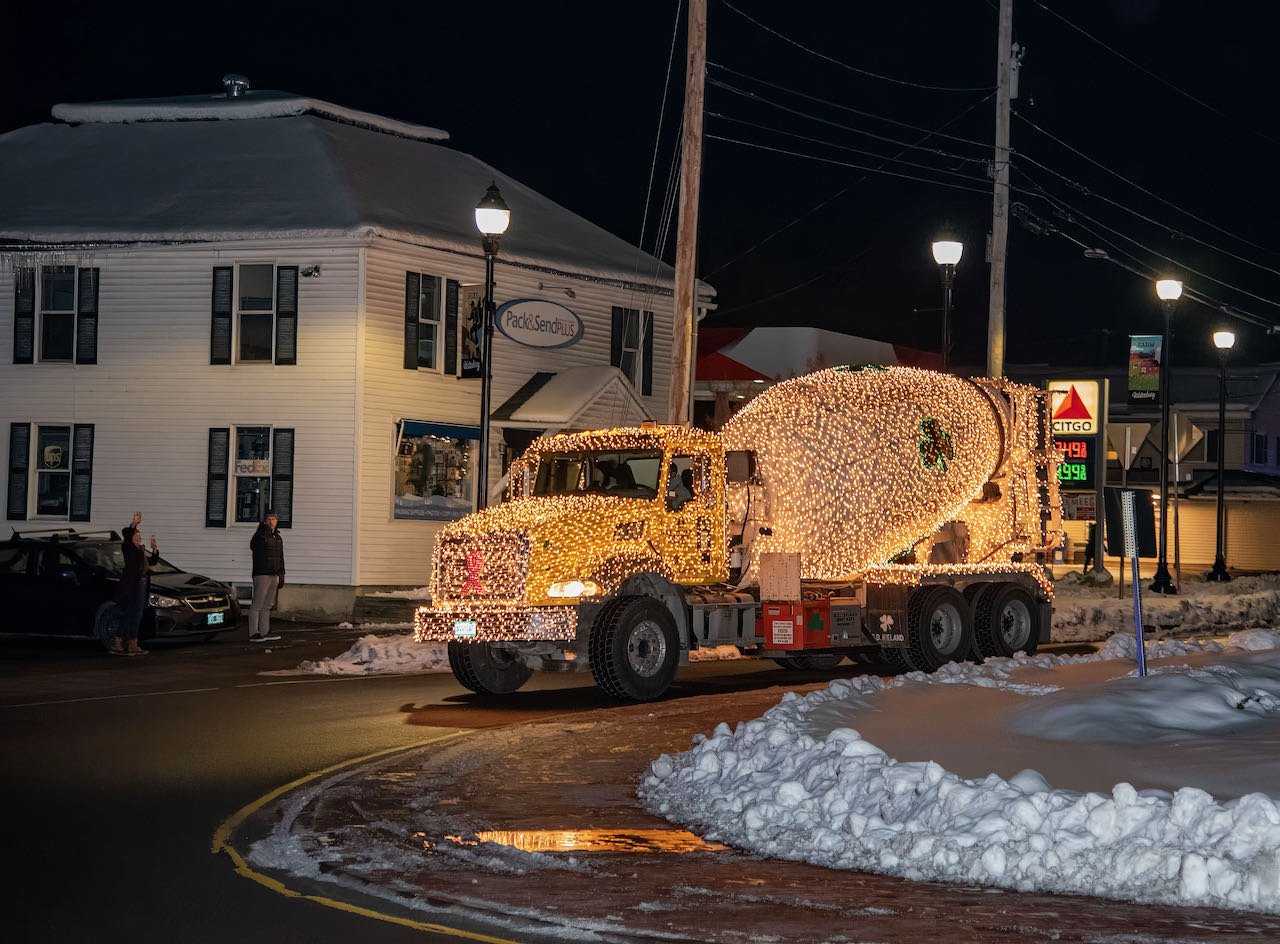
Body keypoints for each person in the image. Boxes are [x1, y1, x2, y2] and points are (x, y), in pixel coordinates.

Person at [107, 511, 159, 656]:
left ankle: (131, 643)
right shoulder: (128, 548)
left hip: (141, 583)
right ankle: (121, 641)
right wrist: (134, 523)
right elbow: (128, 534)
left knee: (136, 613)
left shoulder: (140, 550)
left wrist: (154, 548)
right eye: (136, 536)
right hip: (132, 585)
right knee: (131, 612)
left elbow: (152, 562)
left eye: (139, 536)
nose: (139, 537)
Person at [248, 508, 286, 643]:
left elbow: (280, 557)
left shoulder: (278, 538)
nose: (271, 522)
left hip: (274, 574)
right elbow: (253, 547)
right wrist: (262, 532)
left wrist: (281, 574)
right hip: (262, 573)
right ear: (264, 521)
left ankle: (264, 631)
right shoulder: (260, 536)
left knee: (268, 604)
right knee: (258, 603)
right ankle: (253, 632)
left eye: (274, 519)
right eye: (269, 519)